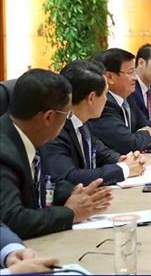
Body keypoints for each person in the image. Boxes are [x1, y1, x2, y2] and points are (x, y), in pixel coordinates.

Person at [0, 69, 112, 239]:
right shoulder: (4, 154)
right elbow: (12, 219)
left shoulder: (32, 134)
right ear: (48, 117)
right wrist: (71, 213)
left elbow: (49, 183)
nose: (68, 119)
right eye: (67, 114)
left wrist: (77, 193)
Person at [42, 60, 145, 186]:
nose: (106, 99)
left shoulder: (82, 122)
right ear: (91, 98)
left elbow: (99, 151)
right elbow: (69, 176)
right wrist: (124, 169)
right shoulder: (55, 128)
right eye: (105, 94)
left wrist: (122, 160)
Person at [89, 48, 151, 154]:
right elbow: (129, 145)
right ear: (110, 77)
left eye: (134, 72)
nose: (135, 78)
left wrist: (140, 135)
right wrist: (146, 135)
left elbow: (147, 125)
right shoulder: (103, 103)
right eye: (130, 72)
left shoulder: (128, 96)